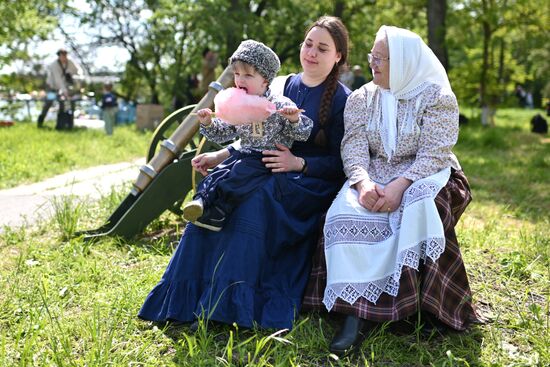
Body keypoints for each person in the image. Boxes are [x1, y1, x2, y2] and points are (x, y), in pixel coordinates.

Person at [138, 16, 351, 330]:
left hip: (307, 182)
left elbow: (342, 163)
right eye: (308, 43)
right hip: (263, 168)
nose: (312, 52)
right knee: (215, 194)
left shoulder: (344, 100)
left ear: (338, 57)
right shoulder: (283, 85)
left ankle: (226, 305)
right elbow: (254, 136)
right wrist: (219, 154)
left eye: (323, 48)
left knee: (253, 203)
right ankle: (187, 298)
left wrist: (299, 164)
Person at [303, 25, 477, 354]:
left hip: (427, 173)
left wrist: (400, 185)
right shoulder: (361, 98)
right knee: (342, 213)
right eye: (373, 56)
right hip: (373, 172)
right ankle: (353, 311)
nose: (373, 63)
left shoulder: (437, 97)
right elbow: (353, 148)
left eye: (382, 58)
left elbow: (434, 153)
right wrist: (362, 182)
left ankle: (415, 307)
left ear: (406, 61)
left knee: (415, 209)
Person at [184, 40, 313, 232]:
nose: (240, 80)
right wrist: (208, 123)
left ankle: (218, 212)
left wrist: (294, 119)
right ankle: (201, 201)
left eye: (248, 75)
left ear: (265, 80)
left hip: (265, 159)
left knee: (238, 175)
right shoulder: (238, 104)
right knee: (220, 172)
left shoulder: (280, 103)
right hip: (242, 154)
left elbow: (302, 134)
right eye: (237, 74)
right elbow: (224, 132)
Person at [37, 48, 83, 128]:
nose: (64, 57)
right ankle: (40, 122)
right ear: (59, 56)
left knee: (63, 104)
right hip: (51, 87)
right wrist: (65, 91)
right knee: (48, 103)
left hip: (63, 87)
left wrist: (76, 79)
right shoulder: (54, 65)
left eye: (65, 55)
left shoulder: (70, 62)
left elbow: (78, 70)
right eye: (62, 55)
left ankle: (60, 125)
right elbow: (58, 80)